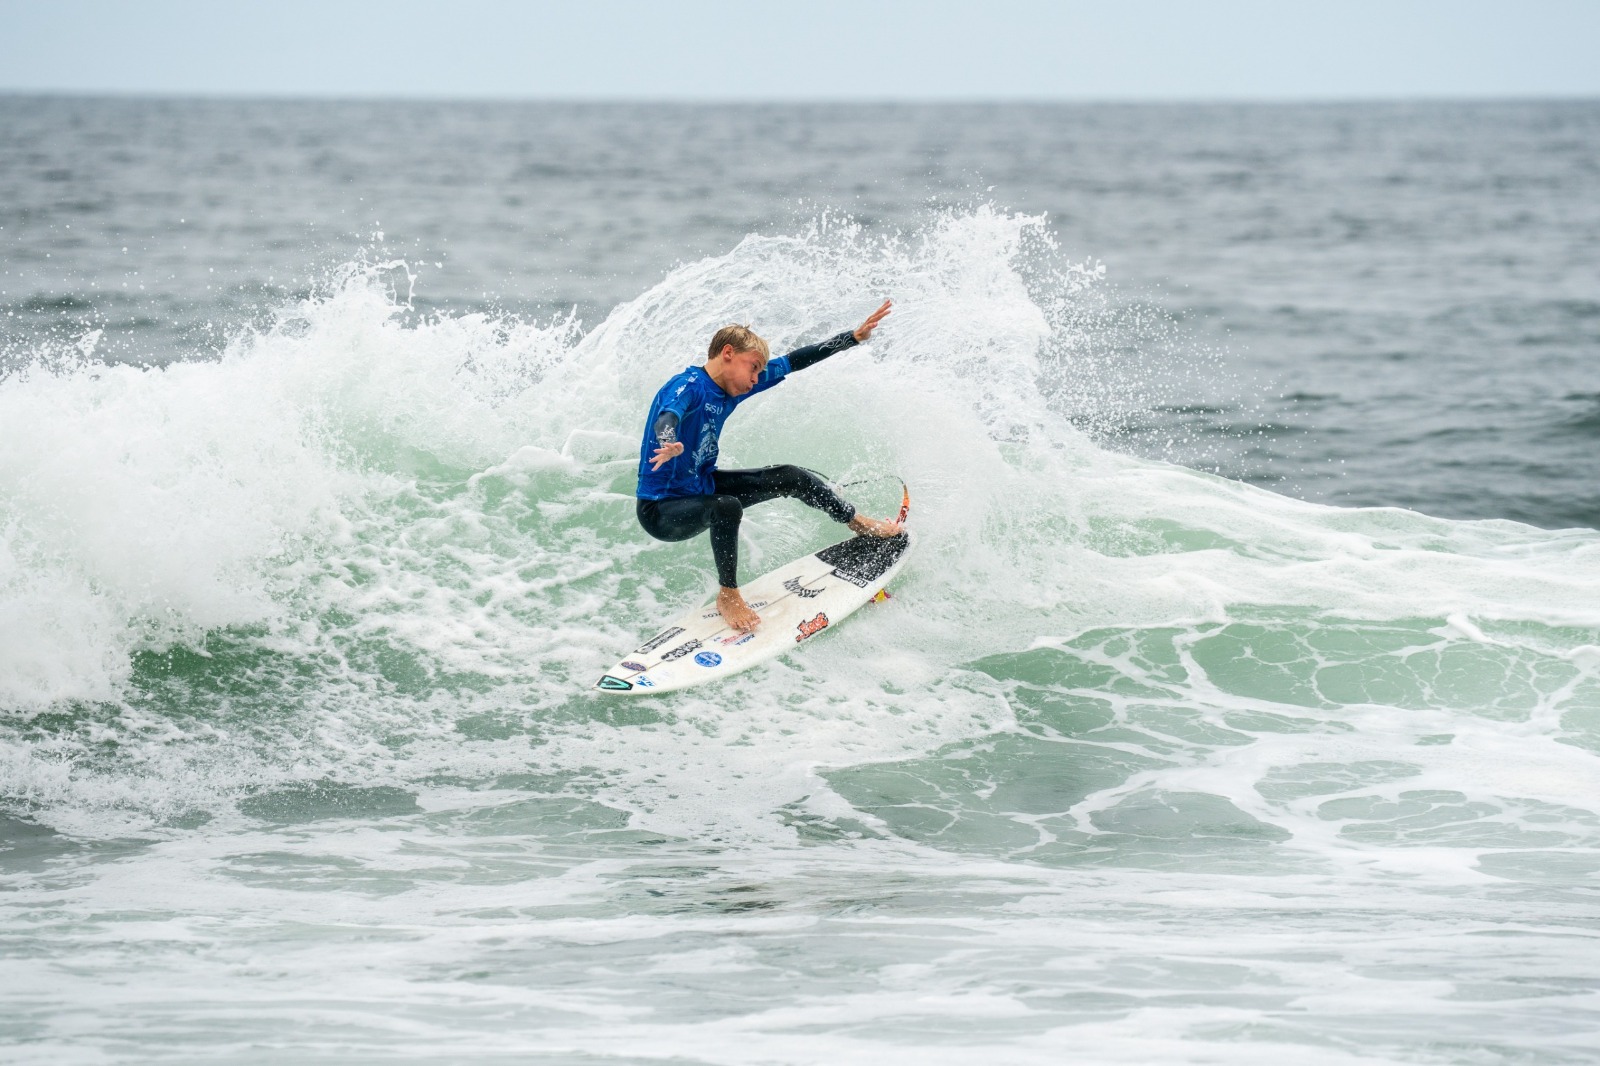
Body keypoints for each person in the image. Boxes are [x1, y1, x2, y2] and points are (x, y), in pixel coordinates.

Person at [636, 299, 903, 633]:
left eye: (759, 372)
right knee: (726, 506)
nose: (755, 379)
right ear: (728, 353)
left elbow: (794, 361)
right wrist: (668, 442)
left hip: (700, 486)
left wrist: (851, 338)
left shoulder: (730, 388)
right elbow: (668, 416)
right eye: (753, 368)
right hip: (661, 509)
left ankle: (856, 520)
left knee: (790, 476)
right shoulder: (688, 386)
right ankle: (728, 595)